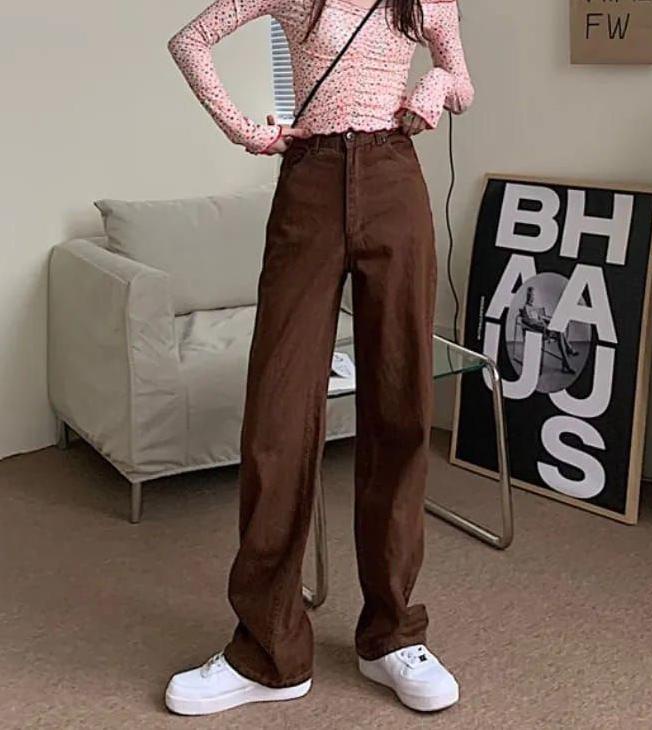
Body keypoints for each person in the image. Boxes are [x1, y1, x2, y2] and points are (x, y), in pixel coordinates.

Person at [163, 0, 474, 716]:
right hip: (309, 181)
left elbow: (460, 79)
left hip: (395, 179)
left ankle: (392, 634)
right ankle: (267, 651)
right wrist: (248, 131)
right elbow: (190, 41)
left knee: (400, 407)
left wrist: (432, 88)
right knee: (276, 418)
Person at [519, 286, 578, 374]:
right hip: (537, 330)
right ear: (528, 296)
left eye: (533, 295)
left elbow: (540, 318)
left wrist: (545, 321)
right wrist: (542, 323)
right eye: (531, 295)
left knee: (560, 332)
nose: (532, 298)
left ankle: (566, 362)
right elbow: (529, 322)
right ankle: (568, 354)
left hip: (544, 328)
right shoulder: (525, 308)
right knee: (560, 333)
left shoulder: (534, 307)